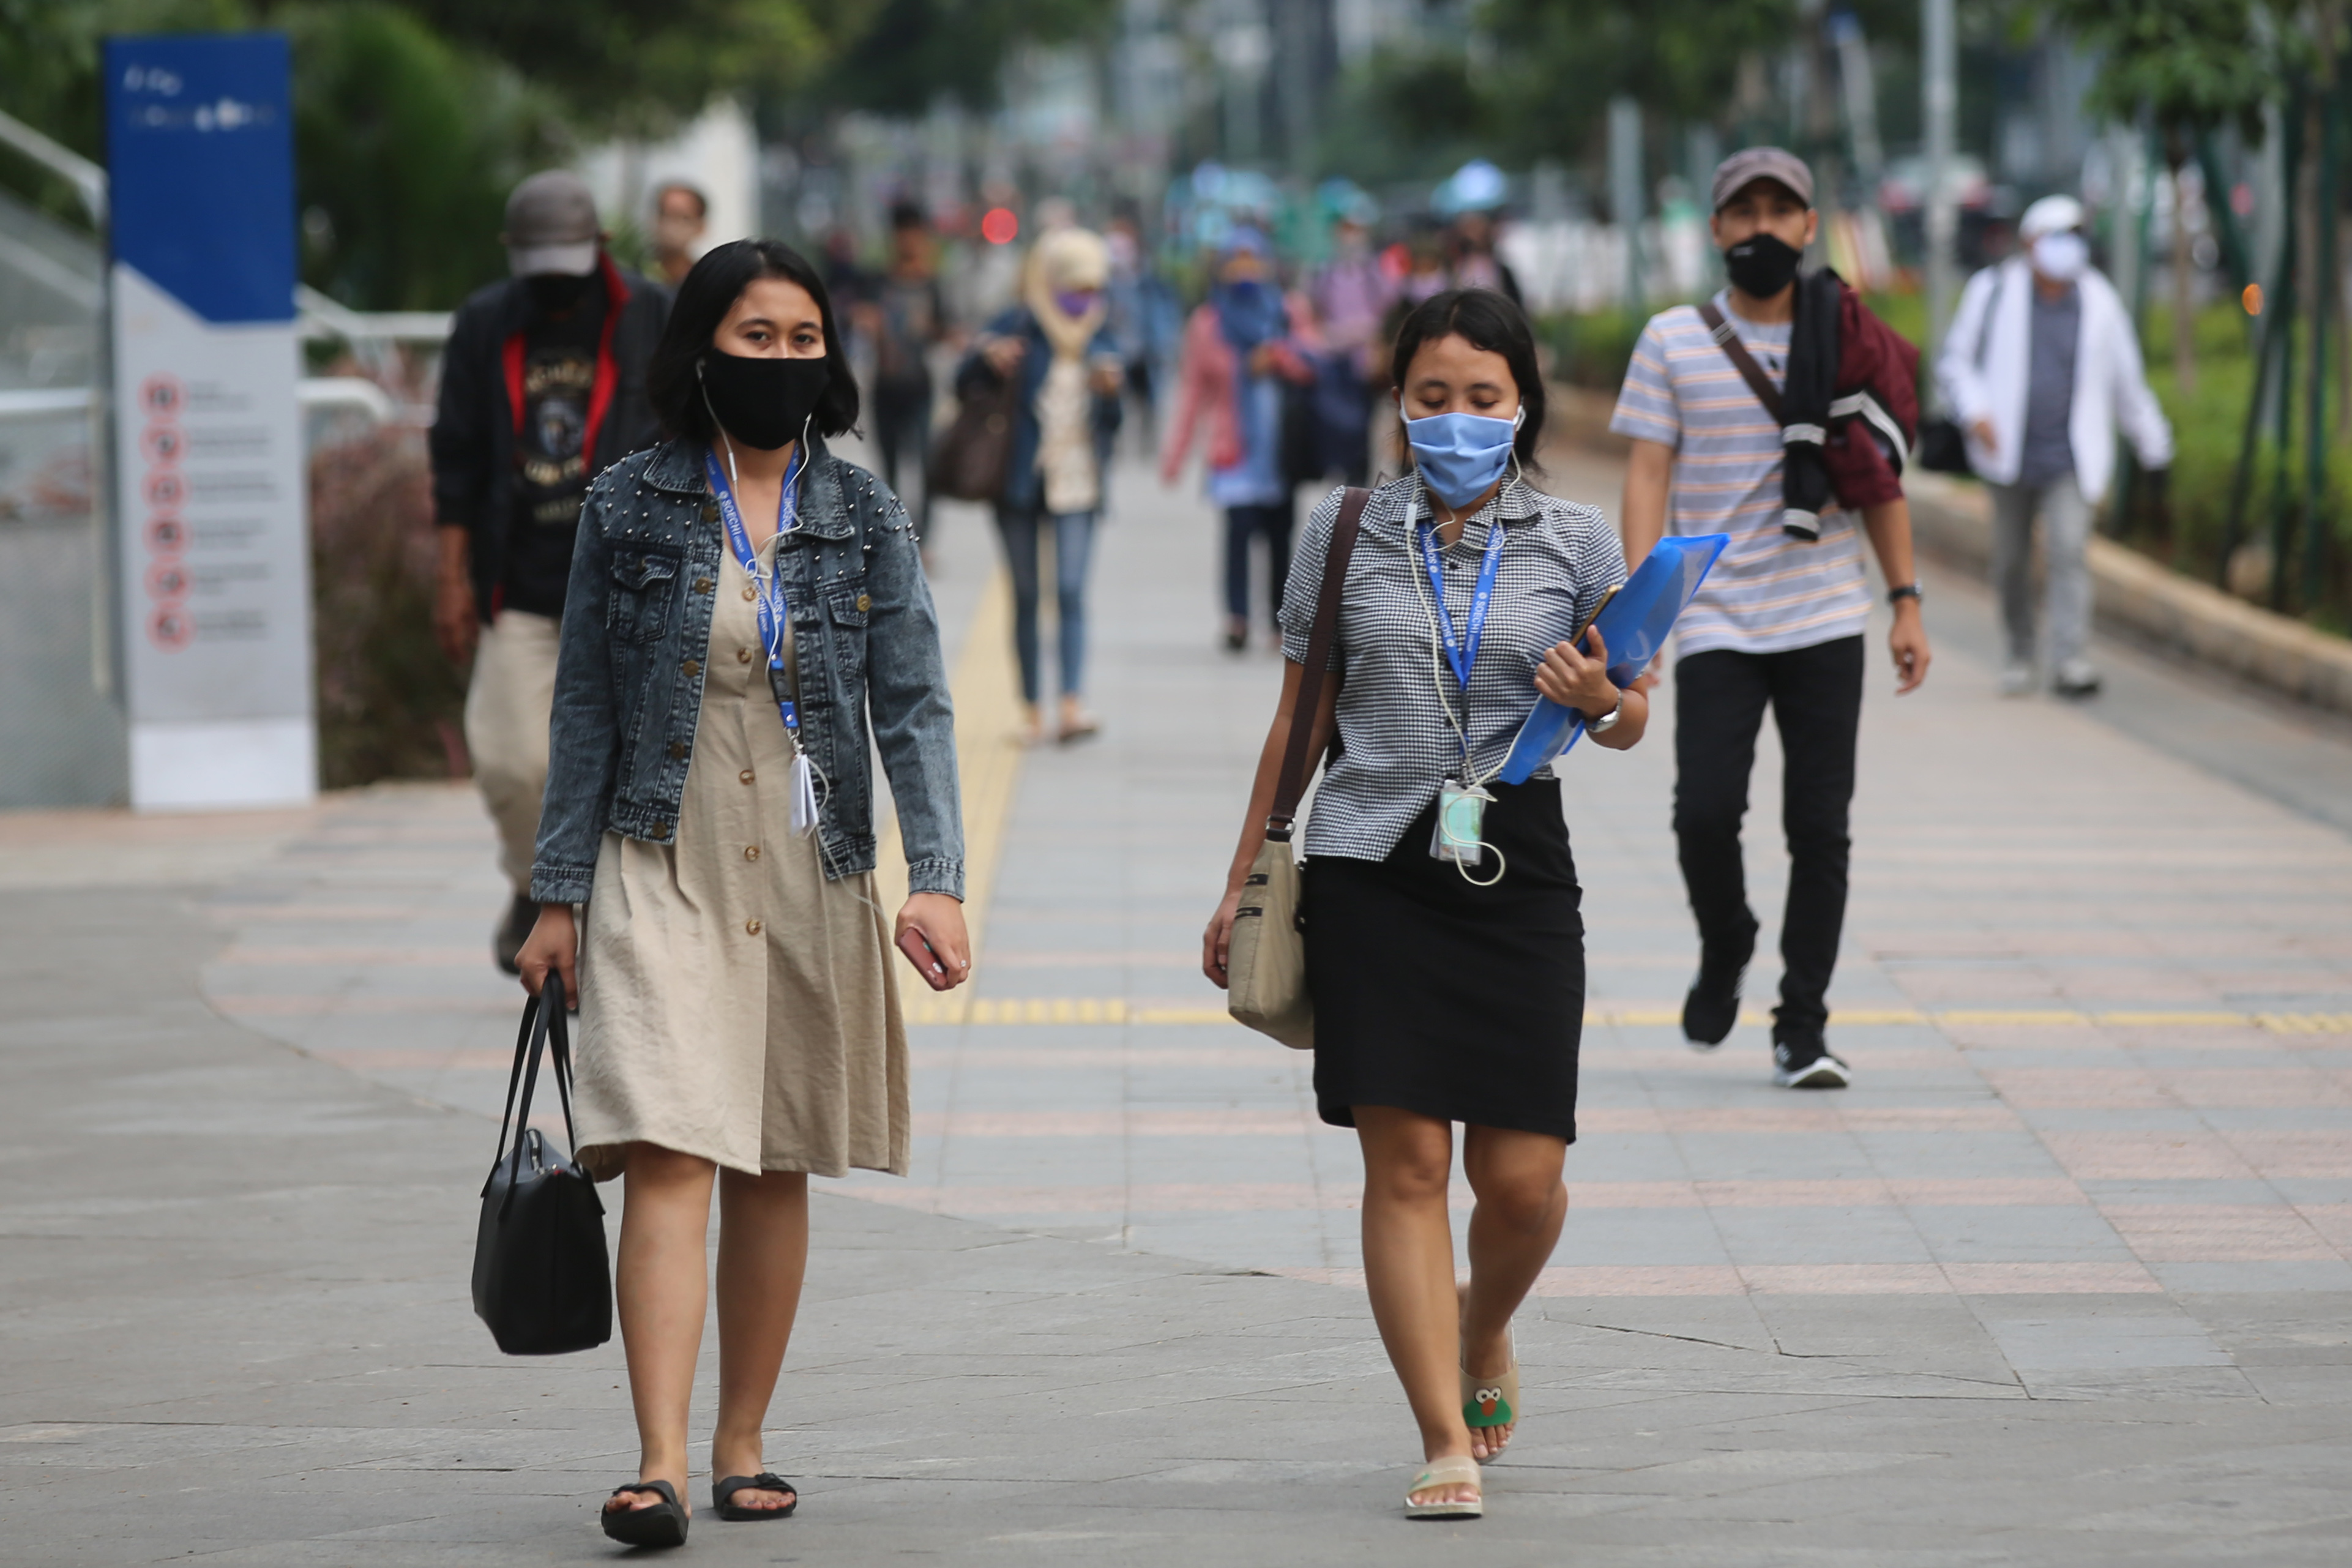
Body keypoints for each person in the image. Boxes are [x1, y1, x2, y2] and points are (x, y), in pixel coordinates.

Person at [513, 238, 969, 1547]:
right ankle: (656, 1462)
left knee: (773, 1160)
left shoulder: (863, 512)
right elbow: (585, 706)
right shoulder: (626, 504)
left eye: (801, 339)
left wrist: (936, 881)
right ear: (702, 350)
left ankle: (741, 1440)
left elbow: (915, 703)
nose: (780, 359)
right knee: (670, 1144)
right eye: (755, 336)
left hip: (813, 863)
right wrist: (557, 894)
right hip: (663, 854)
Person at [1204, 288, 1641, 1520]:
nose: (1456, 418)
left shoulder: (1576, 540)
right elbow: (1296, 720)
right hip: (1367, 865)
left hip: (1515, 864)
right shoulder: (1340, 530)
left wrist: (1600, 698)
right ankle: (1441, 1434)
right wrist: (1241, 879)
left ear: (1521, 406)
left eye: (1482, 398)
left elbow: (1628, 716)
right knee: (1404, 1166)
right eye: (1432, 396)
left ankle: (1482, 1323)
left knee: (1523, 1179)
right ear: (1399, 402)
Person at [1610, 146, 1932, 1091]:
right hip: (1714, 616)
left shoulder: (1844, 337)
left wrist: (1904, 601)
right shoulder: (1670, 340)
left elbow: (1874, 479)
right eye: (1742, 212)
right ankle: (1726, 940)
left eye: (1778, 211)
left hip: (1824, 611)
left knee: (1818, 826)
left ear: (1806, 226)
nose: (1761, 227)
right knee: (1703, 812)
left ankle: (1802, 1023)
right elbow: (1645, 475)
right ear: (1715, 229)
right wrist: (1640, 618)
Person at [430, 170, 670, 974]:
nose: (555, 290)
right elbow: (455, 458)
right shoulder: (485, 324)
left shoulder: (652, 316)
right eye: (540, 272)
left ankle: (598, 916)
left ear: (600, 246)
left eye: (569, 270)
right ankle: (535, 887)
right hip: (521, 584)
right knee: (509, 760)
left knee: (638, 766)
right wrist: (451, 578)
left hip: (634, 585)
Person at [1939, 193, 2172, 698]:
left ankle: (2069, 661)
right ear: (2029, 243)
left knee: (2068, 551)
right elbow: (1954, 362)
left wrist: (2154, 446)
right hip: (2006, 455)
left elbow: (2126, 383)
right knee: (2010, 562)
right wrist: (1976, 412)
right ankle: (2021, 653)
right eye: (2057, 237)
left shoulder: (2099, 301)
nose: (2068, 247)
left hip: (2069, 456)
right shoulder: (1992, 290)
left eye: (2075, 237)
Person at [958, 227, 1124, 744]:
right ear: (1049, 281)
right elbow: (962, 384)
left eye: (1093, 288)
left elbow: (1113, 423)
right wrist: (986, 357)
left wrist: (1110, 394)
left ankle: (1071, 704)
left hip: (1078, 484)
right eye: (1074, 287)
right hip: (1018, 484)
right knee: (1026, 595)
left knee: (1071, 590)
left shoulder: (1100, 335)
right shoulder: (1018, 325)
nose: (1084, 299)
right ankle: (1031, 710)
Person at [1161, 228, 1313, 651]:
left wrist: (1279, 357)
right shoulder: (1208, 323)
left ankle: (1280, 621)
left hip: (1280, 447)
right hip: (1233, 448)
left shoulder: (1287, 312)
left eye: (1252, 260)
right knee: (1238, 532)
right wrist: (1176, 453)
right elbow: (1193, 390)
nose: (1244, 269)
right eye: (1236, 260)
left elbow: (1314, 363)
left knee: (1280, 535)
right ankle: (1237, 618)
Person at [858, 201, 952, 540]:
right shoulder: (878, 281)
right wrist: (869, 324)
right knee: (890, 467)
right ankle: (895, 536)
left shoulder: (932, 283)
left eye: (915, 234)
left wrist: (934, 330)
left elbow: (947, 329)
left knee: (926, 463)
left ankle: (924, 536)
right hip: (885, 384)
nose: (909, 241)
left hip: (920, 386)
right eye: (903, 234)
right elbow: (861, 318)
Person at [1309, 209, 1398, 487]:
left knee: (1363, 426)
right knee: (1336, 422)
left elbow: (1388, 311)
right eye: (1345, 230)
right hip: (1335, 361)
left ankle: (1360, 482)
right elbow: (1316, 310)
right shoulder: (1325, 273)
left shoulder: (1374, 272)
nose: (1350, 237)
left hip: (1365, 362)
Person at [651, 180, 707, 288]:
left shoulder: (704, 279)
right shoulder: (635, 272)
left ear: (701, 227)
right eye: (666, 215)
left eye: (684, 218)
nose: (673, 226)